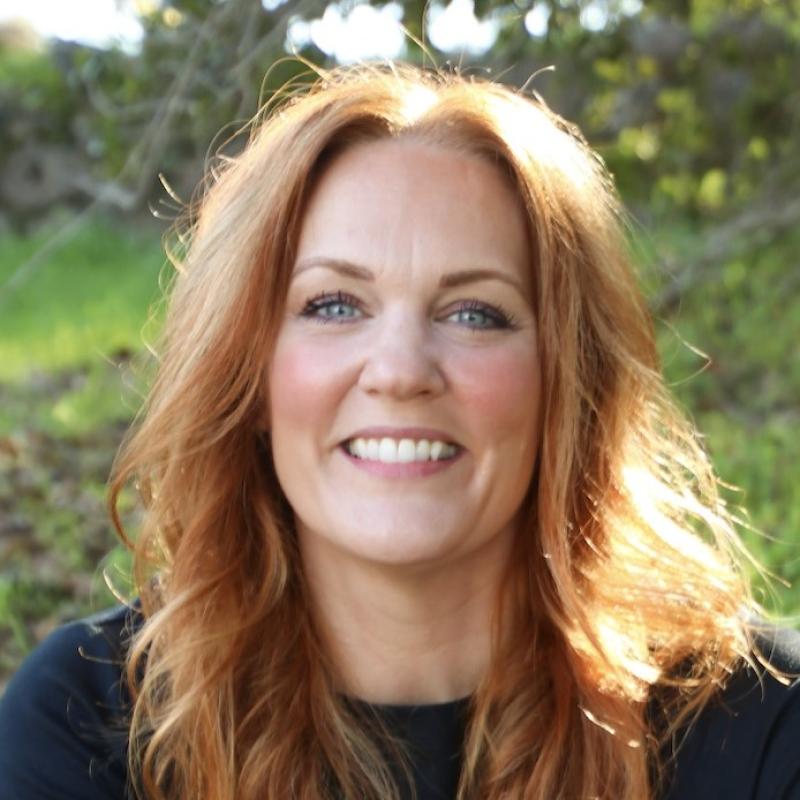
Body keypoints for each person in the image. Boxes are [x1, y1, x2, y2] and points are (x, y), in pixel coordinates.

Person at [1, 61, 798, 800]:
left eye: (475, 313)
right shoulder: (89, 725)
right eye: (334, 305)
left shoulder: (759, 728)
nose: (399, 369)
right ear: (246, 370)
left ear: (569, 380)